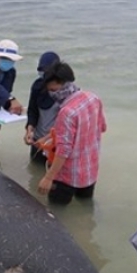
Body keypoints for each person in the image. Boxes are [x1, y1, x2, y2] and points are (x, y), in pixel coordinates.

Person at [36, 62, 106, 205]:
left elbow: (64, 150)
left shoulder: (66, 112)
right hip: (89, 170)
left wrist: (48, 178)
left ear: (64, 84)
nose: (52, 94)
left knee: (56, 211)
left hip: (68, 176)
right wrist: (51, 136)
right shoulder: (93, 98)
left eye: (53, 89)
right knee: (85, 207)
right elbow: (101, 127)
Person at [24, 51, 61, 164]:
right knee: (35, 171)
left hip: (56, 143)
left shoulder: (65, 92)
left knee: (53, 174)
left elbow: (65, 124)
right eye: (42, 71)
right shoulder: (37, 86)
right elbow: (32, 111)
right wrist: (29, 130)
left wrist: (47, 139)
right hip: (38, 140)